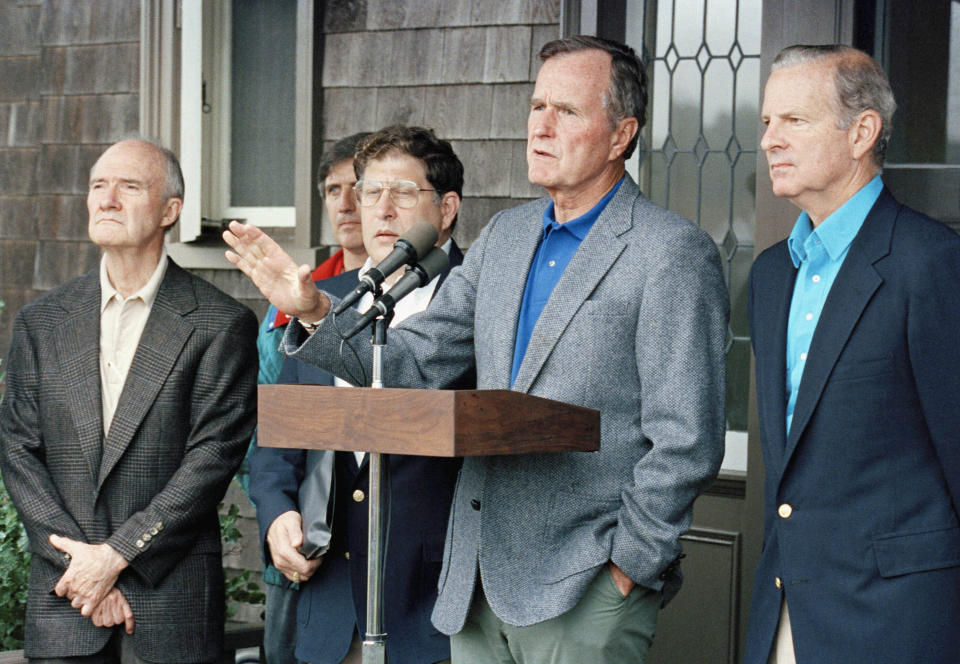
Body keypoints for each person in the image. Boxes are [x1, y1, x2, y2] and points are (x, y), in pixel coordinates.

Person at [225, 35, 728, 663]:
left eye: (566, 112)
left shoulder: (670, 252)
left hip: (586, 585)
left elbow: (687, 438)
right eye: (537, 106)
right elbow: (409, 363)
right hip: (473, 589)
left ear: (621, 134)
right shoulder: (506, 236)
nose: (540, 127)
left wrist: (628, 569)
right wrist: (316, 310)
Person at [0, 138, 258, 664]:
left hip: (169, 604)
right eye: (98, 185)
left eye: (129, 186)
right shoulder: (41, 322)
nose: (107, 199)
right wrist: (86, 569)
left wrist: (117, 556)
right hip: (64, 597)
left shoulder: (219, 323)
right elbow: (18, 453)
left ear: (171, 211)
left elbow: (211, 459)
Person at [745, 45, 960, 664]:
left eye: (794, 120)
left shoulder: (930, 262)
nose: (769, 140)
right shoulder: (769, 276)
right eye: (765, 122)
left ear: (862, 132)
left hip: (900, 625)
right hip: (786, 612)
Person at [249, 125, 465, 664]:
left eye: (404, 193)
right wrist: (277, 515)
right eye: (371, 192)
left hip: (436, 609)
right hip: (330, 608)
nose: (383, 210)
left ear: (447, 208)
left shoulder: (477, 301)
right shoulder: (325, 300)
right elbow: (280, 439)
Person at [238, 131, 370, 664]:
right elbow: (267, 422)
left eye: (358, 186)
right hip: (296, 545)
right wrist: (277, 519)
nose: (347, 202)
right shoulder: (292, 294)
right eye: (332, 189)